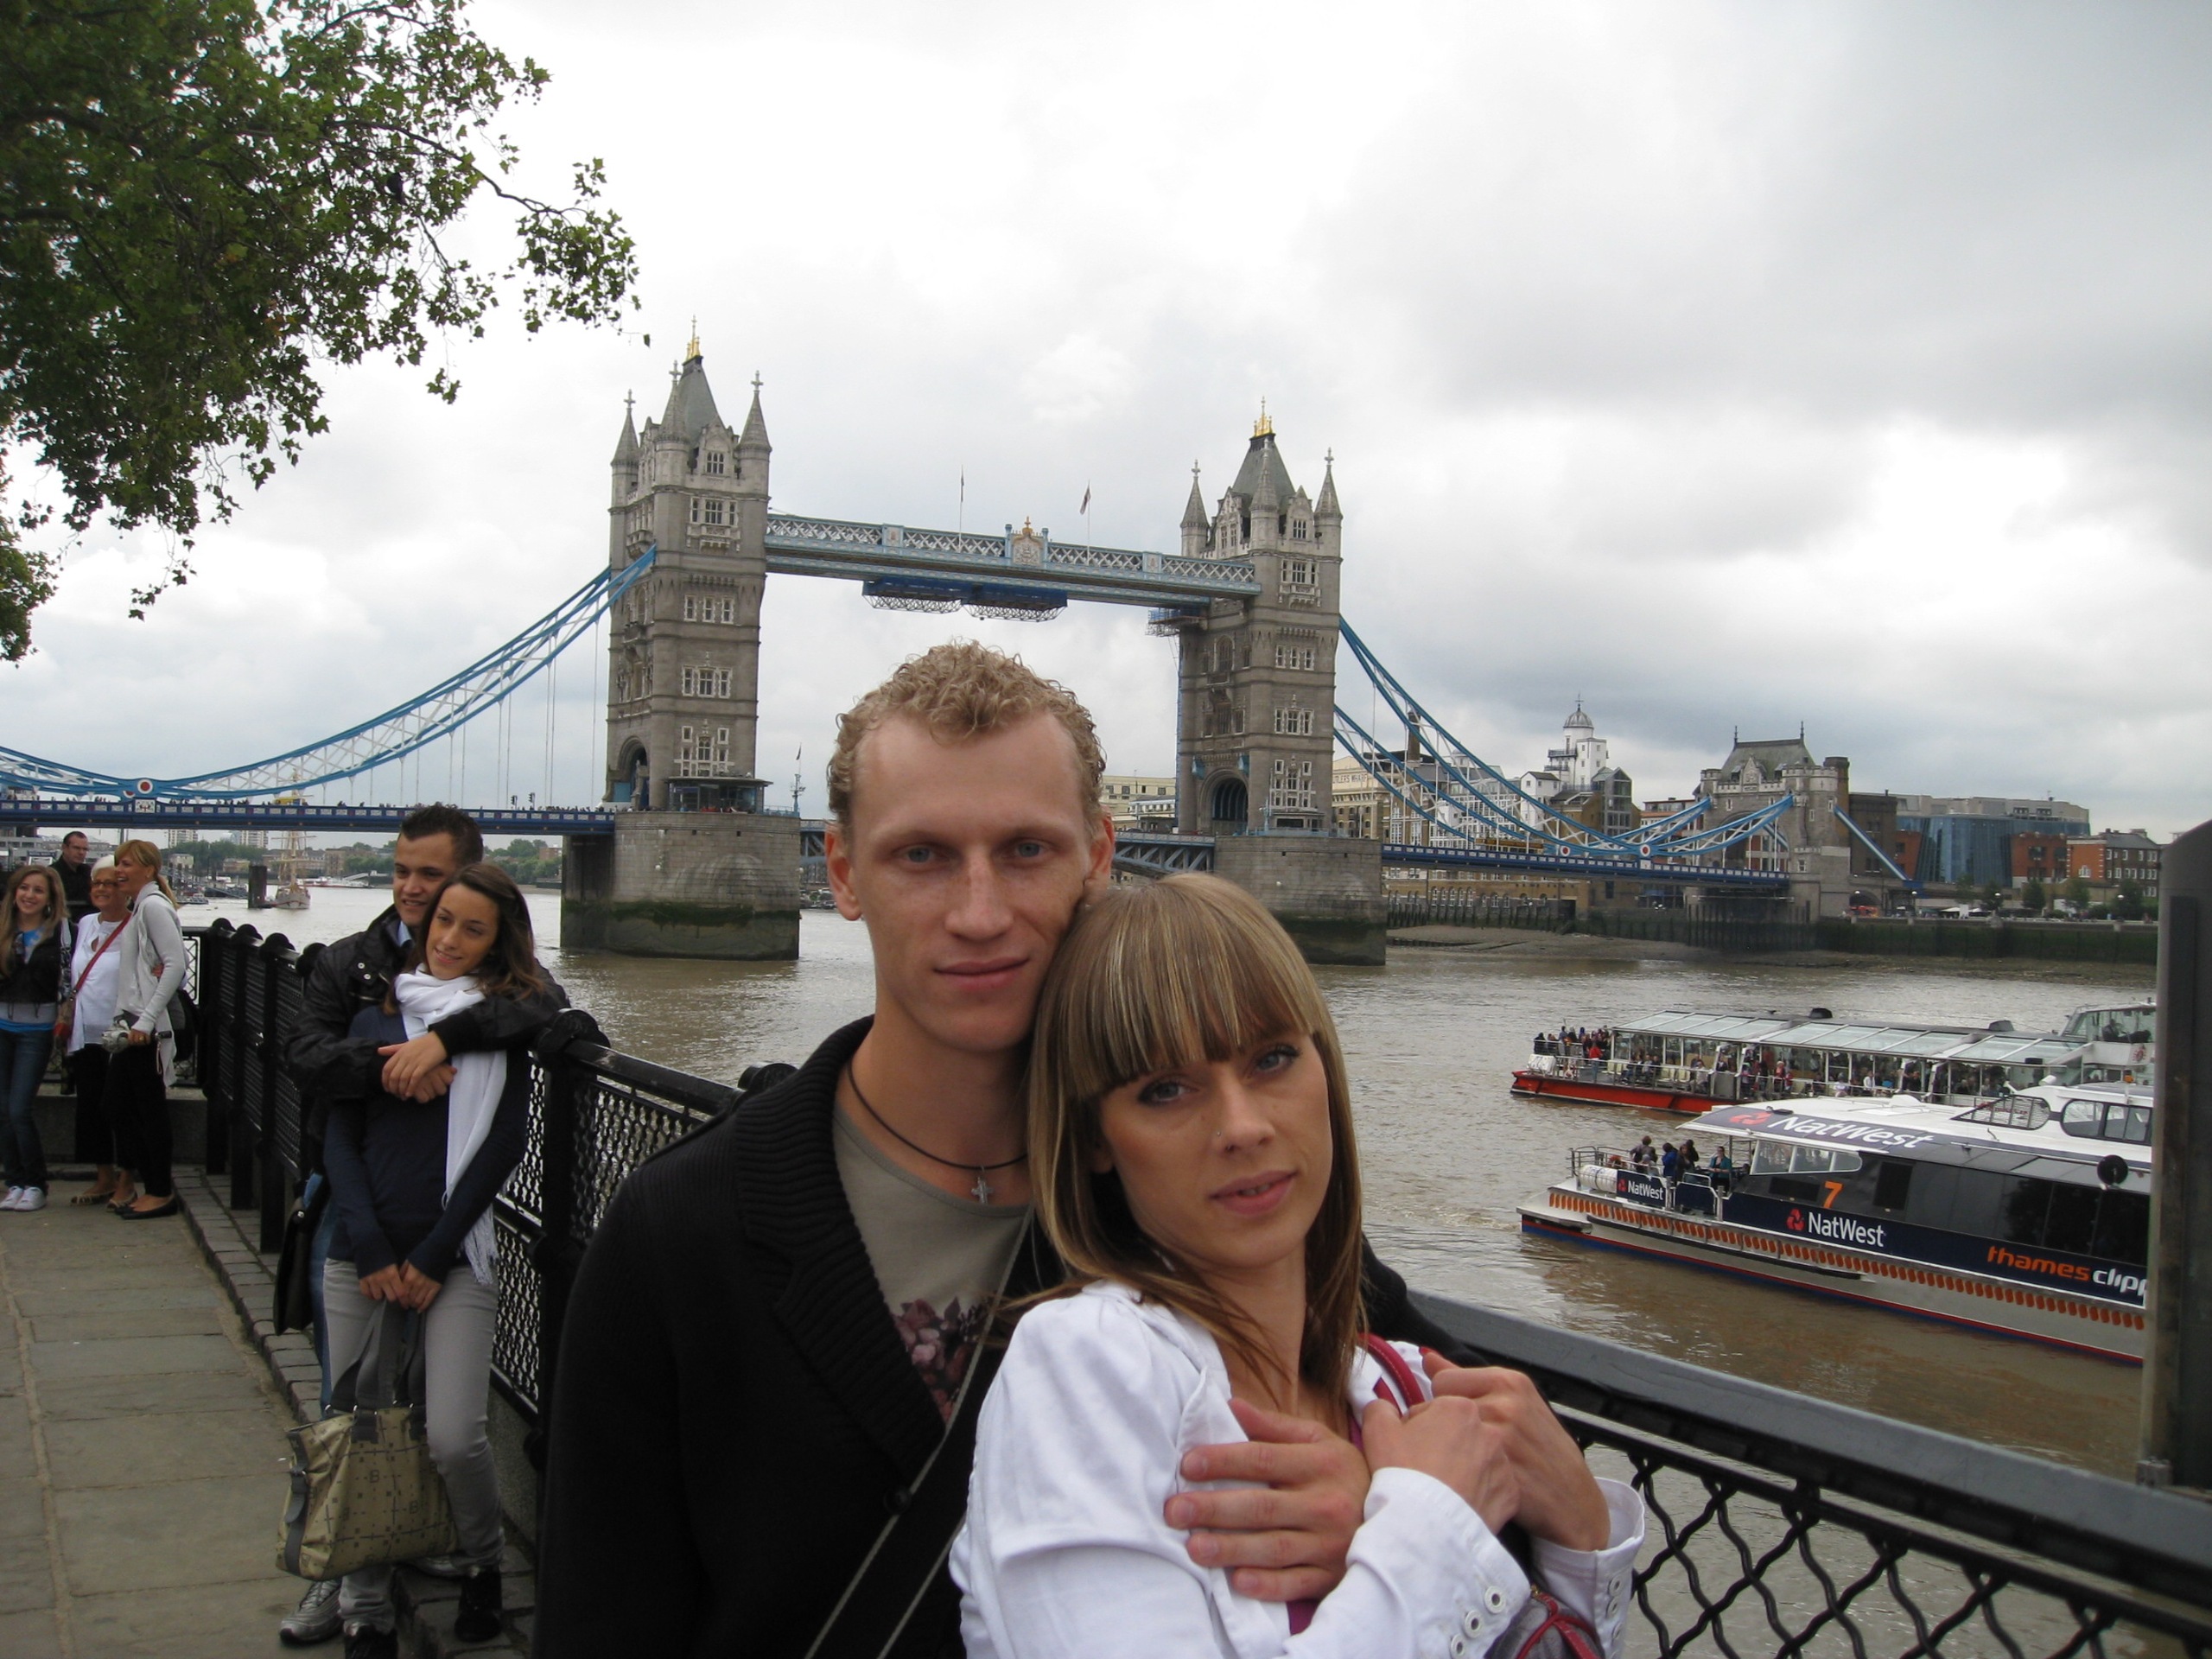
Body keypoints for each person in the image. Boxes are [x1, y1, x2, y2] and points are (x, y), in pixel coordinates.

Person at [537, 644, 1477, 1658]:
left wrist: (1379, 1492)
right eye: (922, 856)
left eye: (1027, 850)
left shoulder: (1206, 1190)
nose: (979, 915)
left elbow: (1471, 1443)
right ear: (843, 872)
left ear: (1099, 854)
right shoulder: (679, 1232)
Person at [955, 876, 1643, 1656]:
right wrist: (1421, 1526)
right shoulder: (1085, 1365)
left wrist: (1583, 1533)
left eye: (1273, 1058)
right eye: (1166, 1090)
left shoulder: (1405, 1389)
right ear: (1093, 1139)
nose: (1242, 1126)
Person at [279, 803, 565, 1649]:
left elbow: (544, 1024)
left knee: (447, 1433)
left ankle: (464, 1557)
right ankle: (346, 1591)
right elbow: (308, 1064)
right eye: (404, 874)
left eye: (430, 879)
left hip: (450, 1252)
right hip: (358, 1232)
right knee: (353, 1420)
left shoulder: (503, 1009)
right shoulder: (354, 971)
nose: (414, 893)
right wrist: (392, 1066)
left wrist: (445, 1041)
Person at [108, 840, 188, 1218]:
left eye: (127, 864)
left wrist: (146, 1019)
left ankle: (160, 1191)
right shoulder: (142, 908)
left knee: (147, 1111)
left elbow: (176, 964)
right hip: (133, 1022)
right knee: (119, 1106)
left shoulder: (153, 907)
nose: (118, 871)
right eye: (117, 863)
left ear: (149, 870)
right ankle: (149, 1183)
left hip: (147, 1029)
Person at [60, 861, 135, 1208]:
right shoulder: (87, 923)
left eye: (111, 883)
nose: (102, 889)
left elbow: (170, 969)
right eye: (97, 884)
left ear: (125, 889)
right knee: (90, 1107)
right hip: (85, 1031)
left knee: (121, 1107)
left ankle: (127, 1180)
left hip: (121, 1033)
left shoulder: (137, 924)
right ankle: (103, 1176)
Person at [0, 864, 73, 1211]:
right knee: (2, 1110)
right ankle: (14, 1182)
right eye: (24, 888)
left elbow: (72, 975)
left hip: (36, 1030)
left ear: (49, 898)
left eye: (38, 890)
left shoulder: (61, 932)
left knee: (19, 1109)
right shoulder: (4, 928)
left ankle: (36, 1183)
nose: (29, 895)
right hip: (1, 1025)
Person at [50, 831, 94, 926]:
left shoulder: (89, 872)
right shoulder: (51, 874)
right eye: (76, 848)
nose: (81, 852)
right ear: (64, 848)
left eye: (85, 849)